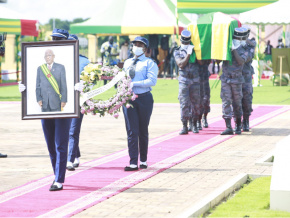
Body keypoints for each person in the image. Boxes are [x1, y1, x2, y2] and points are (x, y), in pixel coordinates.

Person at [19, 29, 84, 191]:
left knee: (60, 143)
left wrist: (75, 92)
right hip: (45, 108)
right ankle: (57, 172)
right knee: (50, 144)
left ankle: (58, 179)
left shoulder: (66, 63)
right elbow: (38, 86)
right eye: (53, 38)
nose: (55, 40)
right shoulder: (40, 67)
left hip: (62, 108)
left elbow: (65, 85)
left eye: (58, 39)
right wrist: (25, 90)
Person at [122, 36, 158, 171]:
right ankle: (132, 162)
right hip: (129, 99)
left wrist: (134, 83)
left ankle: (143, 160)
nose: (136, 46)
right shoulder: (127, 63)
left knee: (143, 130)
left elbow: (152, 81)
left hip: (144, 98)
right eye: (135, 44)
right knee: (132, 130)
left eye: (139, 45)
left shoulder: (150, 63)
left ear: (145, 48)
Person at [66, 34, 90, 171]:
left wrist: (83, 87)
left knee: (73, 130)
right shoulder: (59, 60)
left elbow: (90, 82)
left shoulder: (84, 62)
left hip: (78, 100)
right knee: (67, 131)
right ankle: (76, 154)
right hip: (62, 101)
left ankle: (70, 159)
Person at [220, 27, 248, 135]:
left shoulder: (243, 48)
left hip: (236, 80)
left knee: (237, 103)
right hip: (226, 79)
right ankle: (228, 127)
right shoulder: (227, 47)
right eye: (235, 36)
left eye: (237, 37)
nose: (236, 38)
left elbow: (241, 61)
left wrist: (234, 49)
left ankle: (238, 125)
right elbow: (218, 60)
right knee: (226, 102)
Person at [174, 30, 201, 134]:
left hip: (195, 80)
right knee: (184, 103)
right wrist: (188, 54)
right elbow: (181, 64)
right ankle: (185, 126)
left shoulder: (195, 50)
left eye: (187, 43)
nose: (185, 44)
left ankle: (194, 125)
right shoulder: (177, 51)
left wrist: (196, 51)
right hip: (184, 81)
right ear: (181, 41)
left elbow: (202, 62)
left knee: (196, 104)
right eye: (184, 42)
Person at [239, 27, 256, 132]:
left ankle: (246, 121)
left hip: (246, 77)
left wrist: (243, 40)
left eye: (245, 33)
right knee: (236, 101)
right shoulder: (235, 43)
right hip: (236, 76)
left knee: (247, 100)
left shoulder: (251, 43)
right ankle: (238, 122)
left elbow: (249, 56)